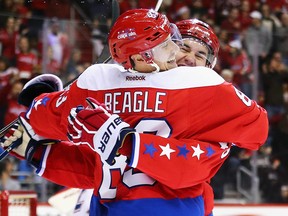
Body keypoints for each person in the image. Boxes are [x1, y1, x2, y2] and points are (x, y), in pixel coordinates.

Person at [1, 9, 268, 216]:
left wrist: (46, 108)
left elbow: (183, 167)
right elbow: (94, 167)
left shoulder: (103, 87)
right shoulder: (209, 96)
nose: (186, 57)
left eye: (200, 56)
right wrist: (36, 150)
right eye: (182, 47)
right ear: (147, 54)